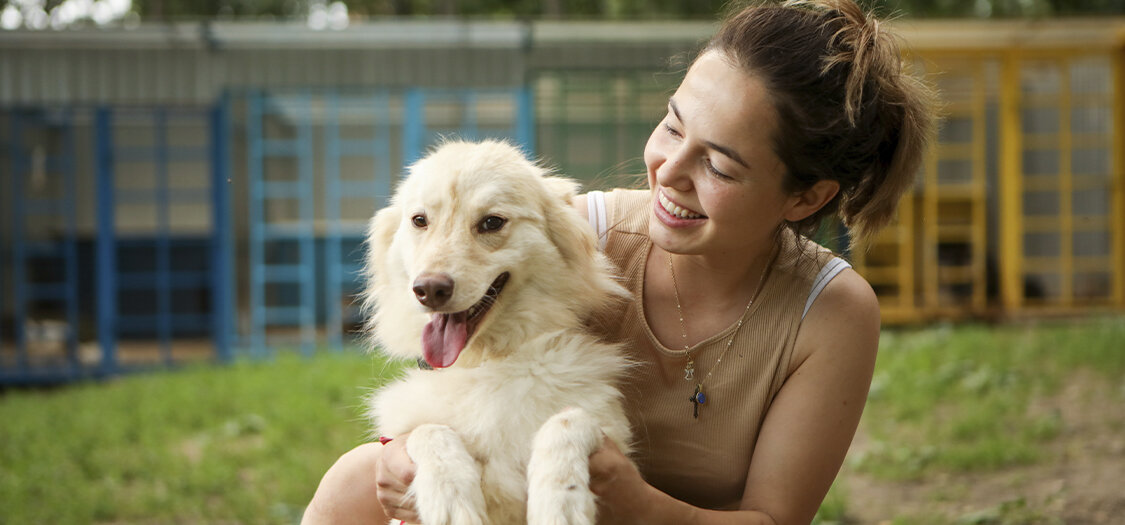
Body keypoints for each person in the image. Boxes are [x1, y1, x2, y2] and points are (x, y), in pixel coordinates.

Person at [302, 0, 935, 523]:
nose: (670, 173)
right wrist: (402, 454)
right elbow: (456, 391)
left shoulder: (831, 312)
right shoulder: (582, 234)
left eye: (717, 165)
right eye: (671, 125)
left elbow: (773, 520)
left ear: (806, 196)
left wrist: (630, 503)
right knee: (356, 473)